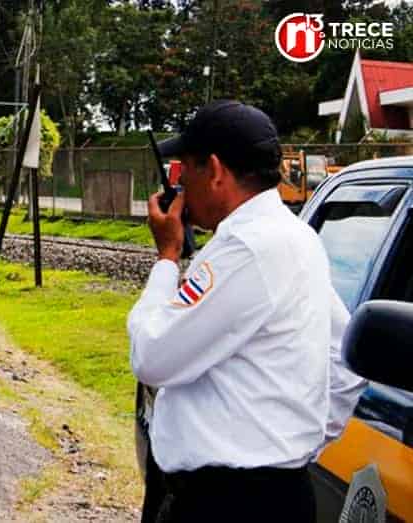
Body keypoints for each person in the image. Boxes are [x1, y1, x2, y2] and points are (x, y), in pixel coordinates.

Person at [127, 101, 357, 523]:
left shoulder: (247, 249)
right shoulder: (295, 237)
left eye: (184, 171)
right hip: (271, 493)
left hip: (225, 501)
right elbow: (344, 363)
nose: (179, 187)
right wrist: (288, 450)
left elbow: (151, 357)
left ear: (214, 170)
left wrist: (167, 257)